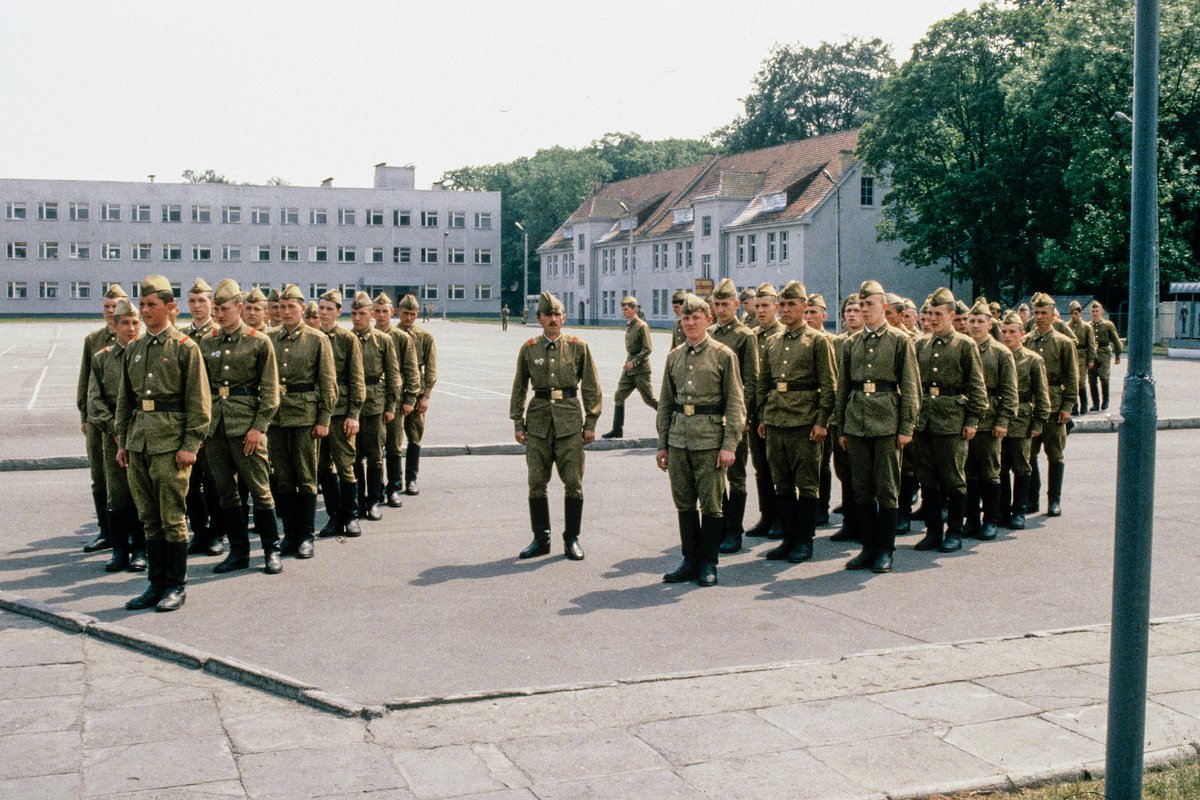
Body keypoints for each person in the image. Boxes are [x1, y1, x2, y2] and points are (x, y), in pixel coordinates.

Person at [116, 275, 212, 612]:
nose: (144, 311)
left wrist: (191, 445)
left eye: (150, 305)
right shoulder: (135, 350)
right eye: (141, 305)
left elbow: (199, 404)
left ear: (170, 308)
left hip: (171, 446)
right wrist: (123, 441)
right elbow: (125, 401)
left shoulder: (186, 348)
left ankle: (176, 586)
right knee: (149, 518)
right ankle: (155, 585)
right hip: (140, 442)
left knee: (172, 517)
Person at [656, 293, 746, 586]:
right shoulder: (674, 356)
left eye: (696, 317)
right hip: (680, 439)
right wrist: (663, 443)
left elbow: (735, 403)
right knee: (684, 502)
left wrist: (729, 445)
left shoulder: (723, 355)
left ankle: (709, 562)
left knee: (711, 505)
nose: (690, 322)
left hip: (710, 440)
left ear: (708, 320)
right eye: (685, 317)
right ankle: (689, 560)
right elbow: (666, 403)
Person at [833, 280, 920, 574]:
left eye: (869, 305)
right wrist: (842, 426)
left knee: (886, 488)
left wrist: (906, 425)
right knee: (861, 488)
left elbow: (910, 386)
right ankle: (867, 548)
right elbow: (843, 386)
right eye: (859, 305)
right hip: (857, 420)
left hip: (887, 420)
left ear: (884, 307)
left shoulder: (899, 340)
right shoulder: (850, 343)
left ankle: (885, 550)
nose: (863, 310)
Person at [510, 291, 602, 561]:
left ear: (564, 317)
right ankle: (541, 539)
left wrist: (591, 422)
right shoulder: (529, 348)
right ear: (538, 319)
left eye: (556, 314)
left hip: (570, 423)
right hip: (538, 422)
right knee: (536, 482)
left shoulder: (577, 346)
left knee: (573, 483)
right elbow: (519, 386)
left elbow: (591, 386)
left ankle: (571, 539)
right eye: (547, 315)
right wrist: (518, 421)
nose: (552, 319)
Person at [202, 280, 283, 575]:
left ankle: (271, 551)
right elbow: (202, 389)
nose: (219, 314)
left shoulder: (258, 342)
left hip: (246, 427)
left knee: (261, 491)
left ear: (239, 308)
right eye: (215, 309)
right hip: (216, 429)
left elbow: (270, 391)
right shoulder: (208, 342)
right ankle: (238, 552)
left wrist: (259, 428)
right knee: (226, 492)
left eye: (223, 309)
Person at [755, 280, 836, 563]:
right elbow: (764, 381)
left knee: (807, 484)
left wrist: (822, 421)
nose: (786, 310)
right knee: (782, 484)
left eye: (792, 305)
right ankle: (788, 540)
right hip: (777, 420)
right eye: (783, 305)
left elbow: (829, 385)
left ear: (804, 306)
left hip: (805, 422)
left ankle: (805, 541)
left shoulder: (817, 340)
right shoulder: (772, 341)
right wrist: (763, 415)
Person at [910, 288, 989, 554]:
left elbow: (977, 386)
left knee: (954, 478)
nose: (931, 319)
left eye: (938, 314)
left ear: (952, 315)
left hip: (952, 420)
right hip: (924, 421)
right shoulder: (921, 343)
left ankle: (954, 531)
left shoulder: (964, 345)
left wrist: (973, 420)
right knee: (928, 479)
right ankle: (933, 531)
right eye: (929, 314)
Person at [267, 284, 337, 559]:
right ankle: (290, 535)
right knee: (283, 478)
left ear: (301, 307)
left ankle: (306, 536)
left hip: (306, 416)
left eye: (291, 307)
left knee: (306, 477)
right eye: (282, 307)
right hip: (277, 417)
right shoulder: (269, 338)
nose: (285, 312)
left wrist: (324, 419)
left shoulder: (317, 339)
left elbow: (328, 383)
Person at [87, 297, 145, 573]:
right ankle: (120, 550)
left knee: (140, 492)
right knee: (117, 493)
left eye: (136, 322)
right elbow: (94, 401)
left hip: (142, 431)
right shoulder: (102, 358)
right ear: (115, 325)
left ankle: (140, 550)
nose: (132, 328)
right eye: (125, 323)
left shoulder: (146, 353)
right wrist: (114, 429)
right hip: (113, 436)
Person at [707, 279, 759, 554]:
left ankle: (734, 531)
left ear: (737, 305)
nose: (721, 309)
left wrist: (744, 418)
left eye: (726, 304)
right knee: (715, 473)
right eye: (716, 304)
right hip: (711, 416)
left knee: (736, 475)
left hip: (734, 415)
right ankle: (720, 525)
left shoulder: (745, 336)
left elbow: (751, 381)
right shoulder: (710, 332)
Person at [963, 300, 1018, 541]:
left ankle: (991, 519)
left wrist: (1003, 420)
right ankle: (972, 518)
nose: (975, 325)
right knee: (966, 473)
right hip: (963, 419)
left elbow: (1009, 390)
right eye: (971, 321)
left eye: (980, 321)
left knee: (989, 472)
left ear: (989, 323)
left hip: (988, 420)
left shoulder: (1000, 352)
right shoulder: (962, 347)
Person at [78, 283, 127, 554]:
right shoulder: (93, 340)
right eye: (107, 306)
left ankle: (130, 534)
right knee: (100, 475)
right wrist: (84, 414)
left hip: (126, 421)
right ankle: (105, 531)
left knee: (126, 479)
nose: (111, 312)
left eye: (116, 307)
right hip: (98, 421)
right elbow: (85, 381)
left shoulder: (133, 336)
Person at [316, 290, 366, 538]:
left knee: (345, 465)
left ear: (338, 311)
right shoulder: (312, 337)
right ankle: (334, 517)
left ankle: (351, 516)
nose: (324, 312)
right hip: (316, 412)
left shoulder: (347, 339)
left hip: (341, 412)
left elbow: (357, 379)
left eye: (329, 308)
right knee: (323, 467)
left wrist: (354, 414)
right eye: (321, 308)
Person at [348, 291, 402, 522]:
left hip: (374, 404)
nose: (357, 318)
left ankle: (373, 501)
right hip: (351, 405)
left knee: (374, 454)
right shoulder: (345, 338)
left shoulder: (383, 340)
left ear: (371, 314)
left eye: (362, 313)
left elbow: (393, 376)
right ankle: (359, 501)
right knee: (354, 455)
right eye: (353, 314)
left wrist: (390, 406)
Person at [1024, 293, 1079, 517]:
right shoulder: (1026, 341)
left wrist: (1068, 406)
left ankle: (1054, 500)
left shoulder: (1064, 343)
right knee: (1029, 455)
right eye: (1036, 313)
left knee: (1055, 454)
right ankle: (1032, 499)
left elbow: (1072, 377)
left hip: (1055, 406)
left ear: (1053, 314)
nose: (1039, 317)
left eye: (1043, 313)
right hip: (1031, 407)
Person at [182, 278, 225, 558]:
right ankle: (199, 530)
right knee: (190, 480)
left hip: (216, 418)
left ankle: (217, 533)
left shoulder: (221, 335)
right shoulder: (182, 338)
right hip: (187, 419)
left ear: (212, 304)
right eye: (193, 301)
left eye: (203, 301)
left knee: (215, 478)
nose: (197, 306)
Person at [998, 312, 1050, 530]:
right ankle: (1002, 510)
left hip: (1021, 421)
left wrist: (1038, 422)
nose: (1007, 336)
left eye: (1012, 332)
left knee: (1021, 466)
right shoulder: (997, 355)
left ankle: (1019, 510)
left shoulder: (1032, 360)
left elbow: (1042, 395)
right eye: (1004, 331)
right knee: (999, 468)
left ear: (1022, 333)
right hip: (998, 419)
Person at [371, 292, 422, 507]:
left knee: (394, 445)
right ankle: (376, 489)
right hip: (373, 399)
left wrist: (410, 398)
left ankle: (394, 487)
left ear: (392, 313)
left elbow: (412, 371)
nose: (381, 316)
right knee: (374, 446)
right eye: (378, 311)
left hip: (395, 398)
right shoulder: (368, 335)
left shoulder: (402, 338)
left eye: (385, 311)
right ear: (372, 313)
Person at [745, 283, 784, 540]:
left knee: (779, 467)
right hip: (757, 411)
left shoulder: (783, 334)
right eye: (757, 306)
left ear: (776, 307)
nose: (760, 311)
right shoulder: (752, 335)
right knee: (761, 466)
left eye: (765, 306)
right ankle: (766, 515)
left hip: (779, 411)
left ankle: (782, 518)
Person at [830, 294, 865, 543]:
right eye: (847, 311)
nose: (851, 314)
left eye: (856, 310)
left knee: (863, 472)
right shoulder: (837, 342)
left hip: (863, 414)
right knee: (843, 468)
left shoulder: (870, 341)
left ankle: (865, 521)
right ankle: (850, 521)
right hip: (838, 413)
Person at [600, 296, 658, 439]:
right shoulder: (630, 326)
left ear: (634, 309)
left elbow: (647, 349)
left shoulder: (641, 326)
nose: (623, 312)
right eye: (623, 309)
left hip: (640, 370)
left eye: (626, 309)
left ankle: (670, 417)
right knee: (619, 396)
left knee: (649, 399)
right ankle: (617, 429)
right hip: (629, 369)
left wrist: (634, 362)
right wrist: (629, 364)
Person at [397, 294, 437, 495]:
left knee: (414, 437)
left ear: (417, 314)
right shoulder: (390, 333)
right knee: (390, 440)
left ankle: (411, 479)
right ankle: (393, 483)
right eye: (405, 313)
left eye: (412, 314)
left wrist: (426, 396)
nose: (408, 318)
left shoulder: (425, 337)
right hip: (394, 392)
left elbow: (431, 369)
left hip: (417, 391)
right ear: (398, 312)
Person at [804, 293, 837, 526]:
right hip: (805, 411)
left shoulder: (830, 341)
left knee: (823, 462)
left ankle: (821, 508)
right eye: (806, 312)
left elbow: (833, 381)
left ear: (824, 315)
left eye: (813, 312)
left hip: (826, 412)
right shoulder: (804, 341)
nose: (808, 317)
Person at [1089, 300, 1122, 411]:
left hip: (1104, 353)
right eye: (1093, 311)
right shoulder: (1088, 326)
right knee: (1092, 379)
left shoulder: (1108, 325)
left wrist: (1118, 355)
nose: (1095, 313)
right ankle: (1095, 403)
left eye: (1097, 311)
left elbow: (1116, 340)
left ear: (1101, 312)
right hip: (1092, 355)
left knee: (1104, 376)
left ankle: (1105, 401)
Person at [1065, 300, 1096, 415]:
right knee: (1071, 382)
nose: (1074, 316)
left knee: (1081, 382)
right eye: (1072, 313)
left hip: (1082, 356)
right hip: (1071, 356)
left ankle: (1084, 405)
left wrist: (1091, 359)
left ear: (1080, 313)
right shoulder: (1066, 326)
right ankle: (1074, 406)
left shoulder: (1086, 327)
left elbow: (1091, 344)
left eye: (1076, 313)